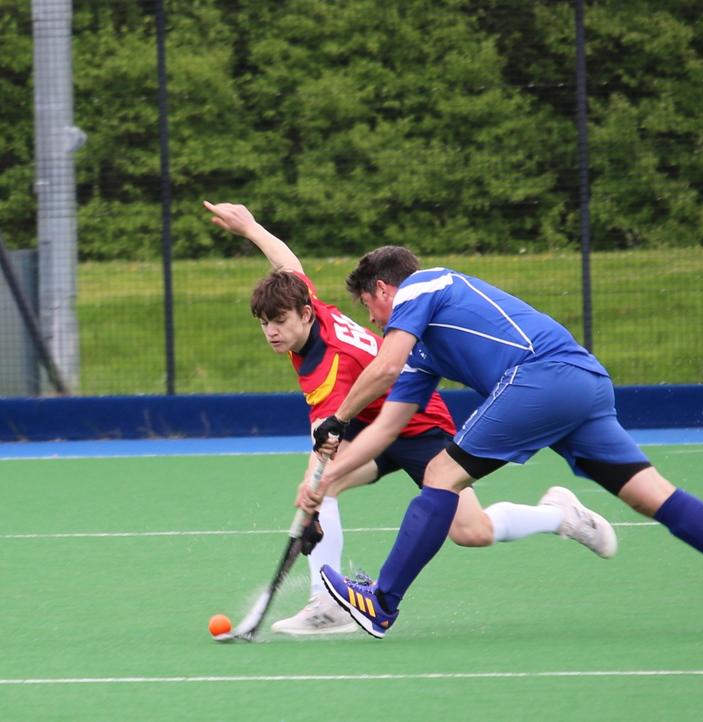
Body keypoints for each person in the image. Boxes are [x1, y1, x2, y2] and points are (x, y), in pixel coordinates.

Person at [302, 246, 703, 639]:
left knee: (439, 475)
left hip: (540, 376)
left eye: (368, 306)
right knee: (651, 494)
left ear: (384, 289)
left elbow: (383, 367)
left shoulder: (423, 284)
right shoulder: (422, 352)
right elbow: (388, 427)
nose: (369, 320)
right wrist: (326, 483)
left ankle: (382, 603)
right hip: (583, 384)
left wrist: (339, 419)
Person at [203, 201, 618, 636]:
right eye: (265, 323)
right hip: (368, 420)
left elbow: (325, 440)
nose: (272, 332)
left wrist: (312, 499)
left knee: (469, 530)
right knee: (323, 488)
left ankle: (560, 516)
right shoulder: (309, 309)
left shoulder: (330, 368)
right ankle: (327, 604)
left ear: (305, 313)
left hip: (418, 423)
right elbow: (287, 263)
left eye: (279, 322)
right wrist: (250, 227)